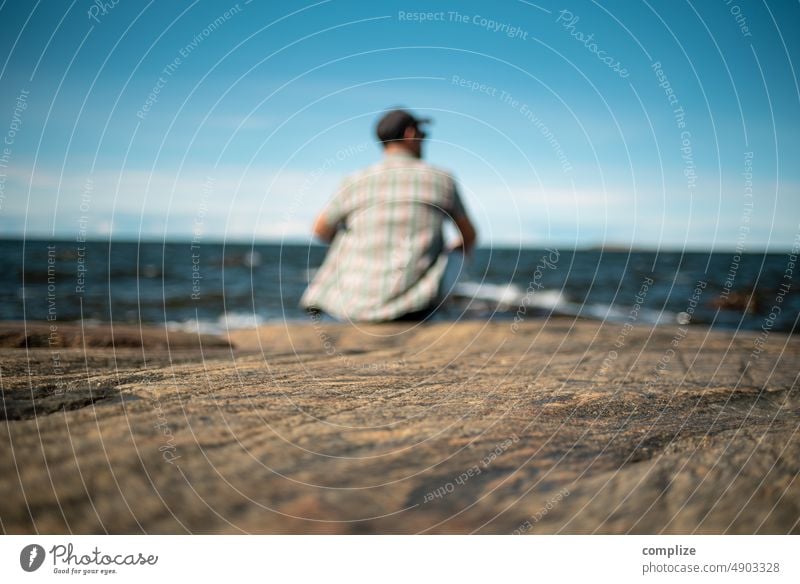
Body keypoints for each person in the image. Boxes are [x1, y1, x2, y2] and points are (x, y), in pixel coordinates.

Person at [300, 108, 477, 322]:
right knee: (457, 251)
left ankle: (335, 298)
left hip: (351, 305)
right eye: (423, 134)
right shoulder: (441, 179)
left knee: (342, 234)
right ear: (411, 133)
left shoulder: (354, 180)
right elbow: (469, 236)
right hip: (416, 306)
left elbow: (320, 230)